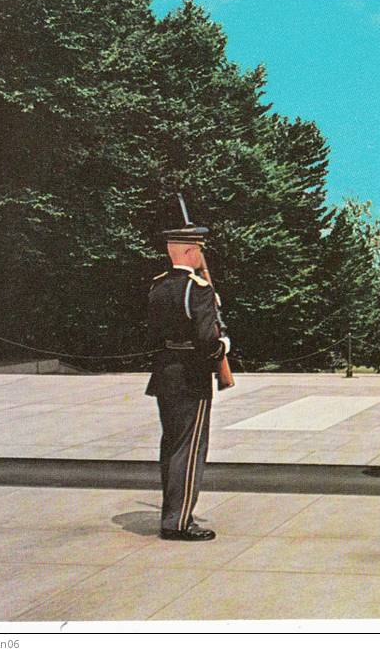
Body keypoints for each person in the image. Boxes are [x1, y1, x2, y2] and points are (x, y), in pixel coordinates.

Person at [145, 224, 231, 541]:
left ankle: (173, 514)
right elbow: (208, 339)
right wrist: (224, 346)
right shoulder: (198, 289)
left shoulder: (158, 287)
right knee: (190, 449)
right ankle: (178, 521)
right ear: (190, 251)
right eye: (199, 249)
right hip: (191, 378)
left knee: (171, 446)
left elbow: (153, 334)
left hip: (165, 374)